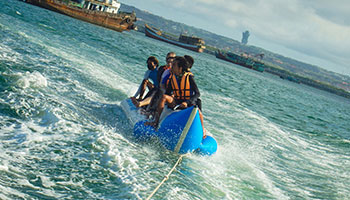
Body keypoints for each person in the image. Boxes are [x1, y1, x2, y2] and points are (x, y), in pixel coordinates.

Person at [146, 56, 205, 136]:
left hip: (188, 103)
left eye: (174, 65)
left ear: (180, 68)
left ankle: (202, 131)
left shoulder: (189, 77)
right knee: (164, 97)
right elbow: (167, 93)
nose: (171, 67)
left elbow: (197, 93)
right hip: (176, 101)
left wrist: (186, 102)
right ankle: (156, 122)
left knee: (198, 111)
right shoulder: (173, 78)